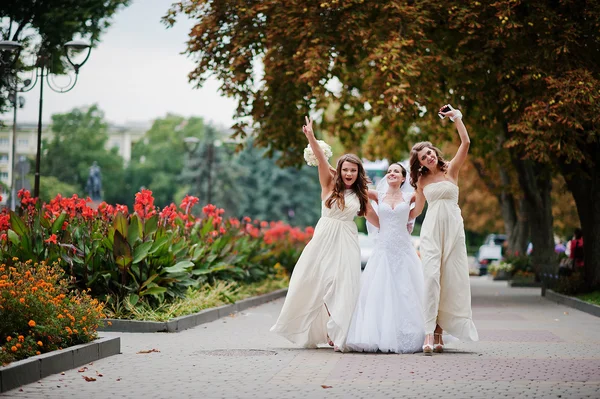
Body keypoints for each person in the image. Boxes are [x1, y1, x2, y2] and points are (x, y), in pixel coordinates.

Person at [270, 116, 378, 352]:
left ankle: (338, 331)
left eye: (353, 170)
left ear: (358, 173)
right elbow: (321, 159)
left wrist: (397, 224)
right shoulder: (328, 185)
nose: (349, 173)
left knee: (343, 284)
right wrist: (310, 136)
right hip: (324, 237)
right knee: (315, 281)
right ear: (340, 171)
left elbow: (376, 219)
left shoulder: (362, 195)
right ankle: (324, 326)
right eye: (345, 169)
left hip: (347, 239)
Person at [410, 104, 479, 355]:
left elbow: (466, 143)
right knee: (430, 277)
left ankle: (440, 331)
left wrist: (456, 117)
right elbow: (417, 210)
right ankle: (428, 331)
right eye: (423, 158)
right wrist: (396, 216)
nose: (428, 158)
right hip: (430, 231)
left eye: (429, 153)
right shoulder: (421, 180)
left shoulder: (451, 169)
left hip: (453, 229)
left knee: (450, 278)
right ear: (419, 164)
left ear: (435, 153)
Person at [346, 162, 425, 353]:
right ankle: (379, 334)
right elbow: (359, 187)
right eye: (389, 171)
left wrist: (421, 180)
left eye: (396, 171)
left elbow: (419, 209)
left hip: (404, 249)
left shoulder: (410, 196)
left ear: (403, 178)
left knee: (406, 290)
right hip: (383, 249)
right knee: (379, 291)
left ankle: (408, 334)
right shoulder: (377, 194)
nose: (391, 173)